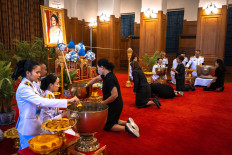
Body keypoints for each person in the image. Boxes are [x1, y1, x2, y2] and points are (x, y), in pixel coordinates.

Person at [12, 60, 79, 150]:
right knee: (27, 150)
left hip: (35, 124)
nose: (40, 75)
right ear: (28, 73)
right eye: (37, 72)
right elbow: (41, 101)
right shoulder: (24, 88)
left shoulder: (32, 84)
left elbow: (40, 104)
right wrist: (68, 101)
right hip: (28, 127)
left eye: (40, 72)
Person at [86, 58, 140, 137]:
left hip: (114, 105)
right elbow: (96, 78)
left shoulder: (109, 79)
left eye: (98, 68)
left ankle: (127, 128)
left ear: (102, 67)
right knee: (112, 120)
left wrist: (103, 103)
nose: (98, 70)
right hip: (115, 104)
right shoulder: (107, 74)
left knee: (107, 126)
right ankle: (128, 122)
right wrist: (86, 85)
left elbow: (115, 95)